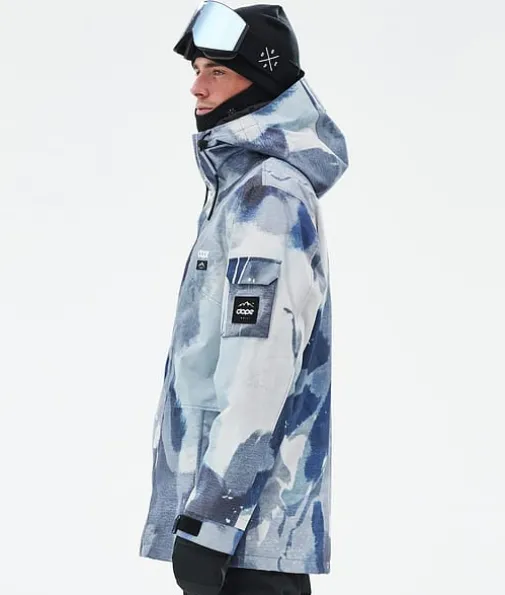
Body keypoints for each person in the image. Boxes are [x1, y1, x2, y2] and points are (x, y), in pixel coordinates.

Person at [138, 2, 349, 594]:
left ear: (260, 81)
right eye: (197, 69)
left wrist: (212, 522)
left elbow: (260, 369)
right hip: (235, 536)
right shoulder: (238, 190)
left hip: (247, 539)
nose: (196, 87)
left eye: (217, 72)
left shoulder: (269, 198)